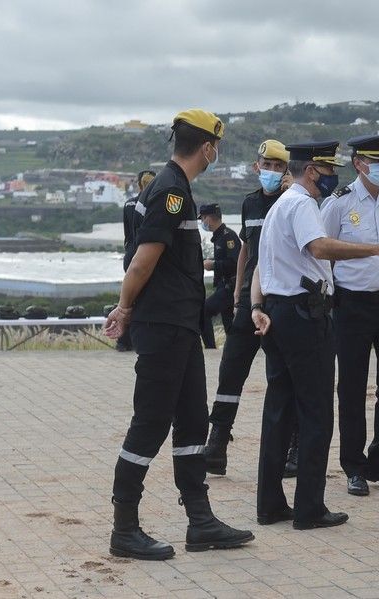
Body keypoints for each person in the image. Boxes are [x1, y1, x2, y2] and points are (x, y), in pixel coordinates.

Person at [103, 109, 253, 560]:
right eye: (217, 146)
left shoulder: (175, 189)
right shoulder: (169, 191)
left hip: (182, 326)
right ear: (207, 147)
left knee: (191, 422)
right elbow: (142, 260)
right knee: (150, 424)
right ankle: (124, 527)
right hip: (163, 326)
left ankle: (201, 521)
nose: (217, 153)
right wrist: (126, 308)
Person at [249, 140, 379, 529]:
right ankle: (309, 508)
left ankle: (270, 505)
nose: (329, 177)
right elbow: (320, 248)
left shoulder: (280, 205)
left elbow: (263, 263)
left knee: (279, 413)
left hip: (280, 312)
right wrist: (375, 249)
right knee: (317, 413)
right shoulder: (302, 204)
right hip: (305, 316)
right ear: (311, 171)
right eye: (326, 170)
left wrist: (256, 306)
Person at [319, 134, 379, 497]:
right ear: (359, 163)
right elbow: (322, 252)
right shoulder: (338, 204)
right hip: (352, 304)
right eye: (377, 161)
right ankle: (354, 467)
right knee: (352, 389)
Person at [204, 139, 299, 477]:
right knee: (231, 369)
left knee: (286, 374)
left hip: (283, 298)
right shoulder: (250, 204)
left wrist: (291, 192)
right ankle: (216, 442)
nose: (271, 172)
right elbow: (246, 249)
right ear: (256, 166)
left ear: (288, 171)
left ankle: (295, 447)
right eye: (267, 165)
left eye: (279, 166)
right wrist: (237, 292)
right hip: (249, 298)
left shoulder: (296, 203)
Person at [117, 169, 155, 352]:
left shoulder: (129, 204)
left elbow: (127, 235)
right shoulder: (154, 203)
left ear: (138, 184)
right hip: (146, 256)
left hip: (131, 254)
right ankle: (140, 339)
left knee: (130, 298)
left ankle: (124, 340)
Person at [198, 203, 240, 349]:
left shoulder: (228, 237)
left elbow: (235, 263)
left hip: (230, 286)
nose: (202, 222)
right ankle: (234, 349)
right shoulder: (219, 237)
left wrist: (213, 265)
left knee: (204, 311)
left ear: (209, 218)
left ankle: (210, 347)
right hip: (223, 286)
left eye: (203, 218)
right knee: (229, 322)